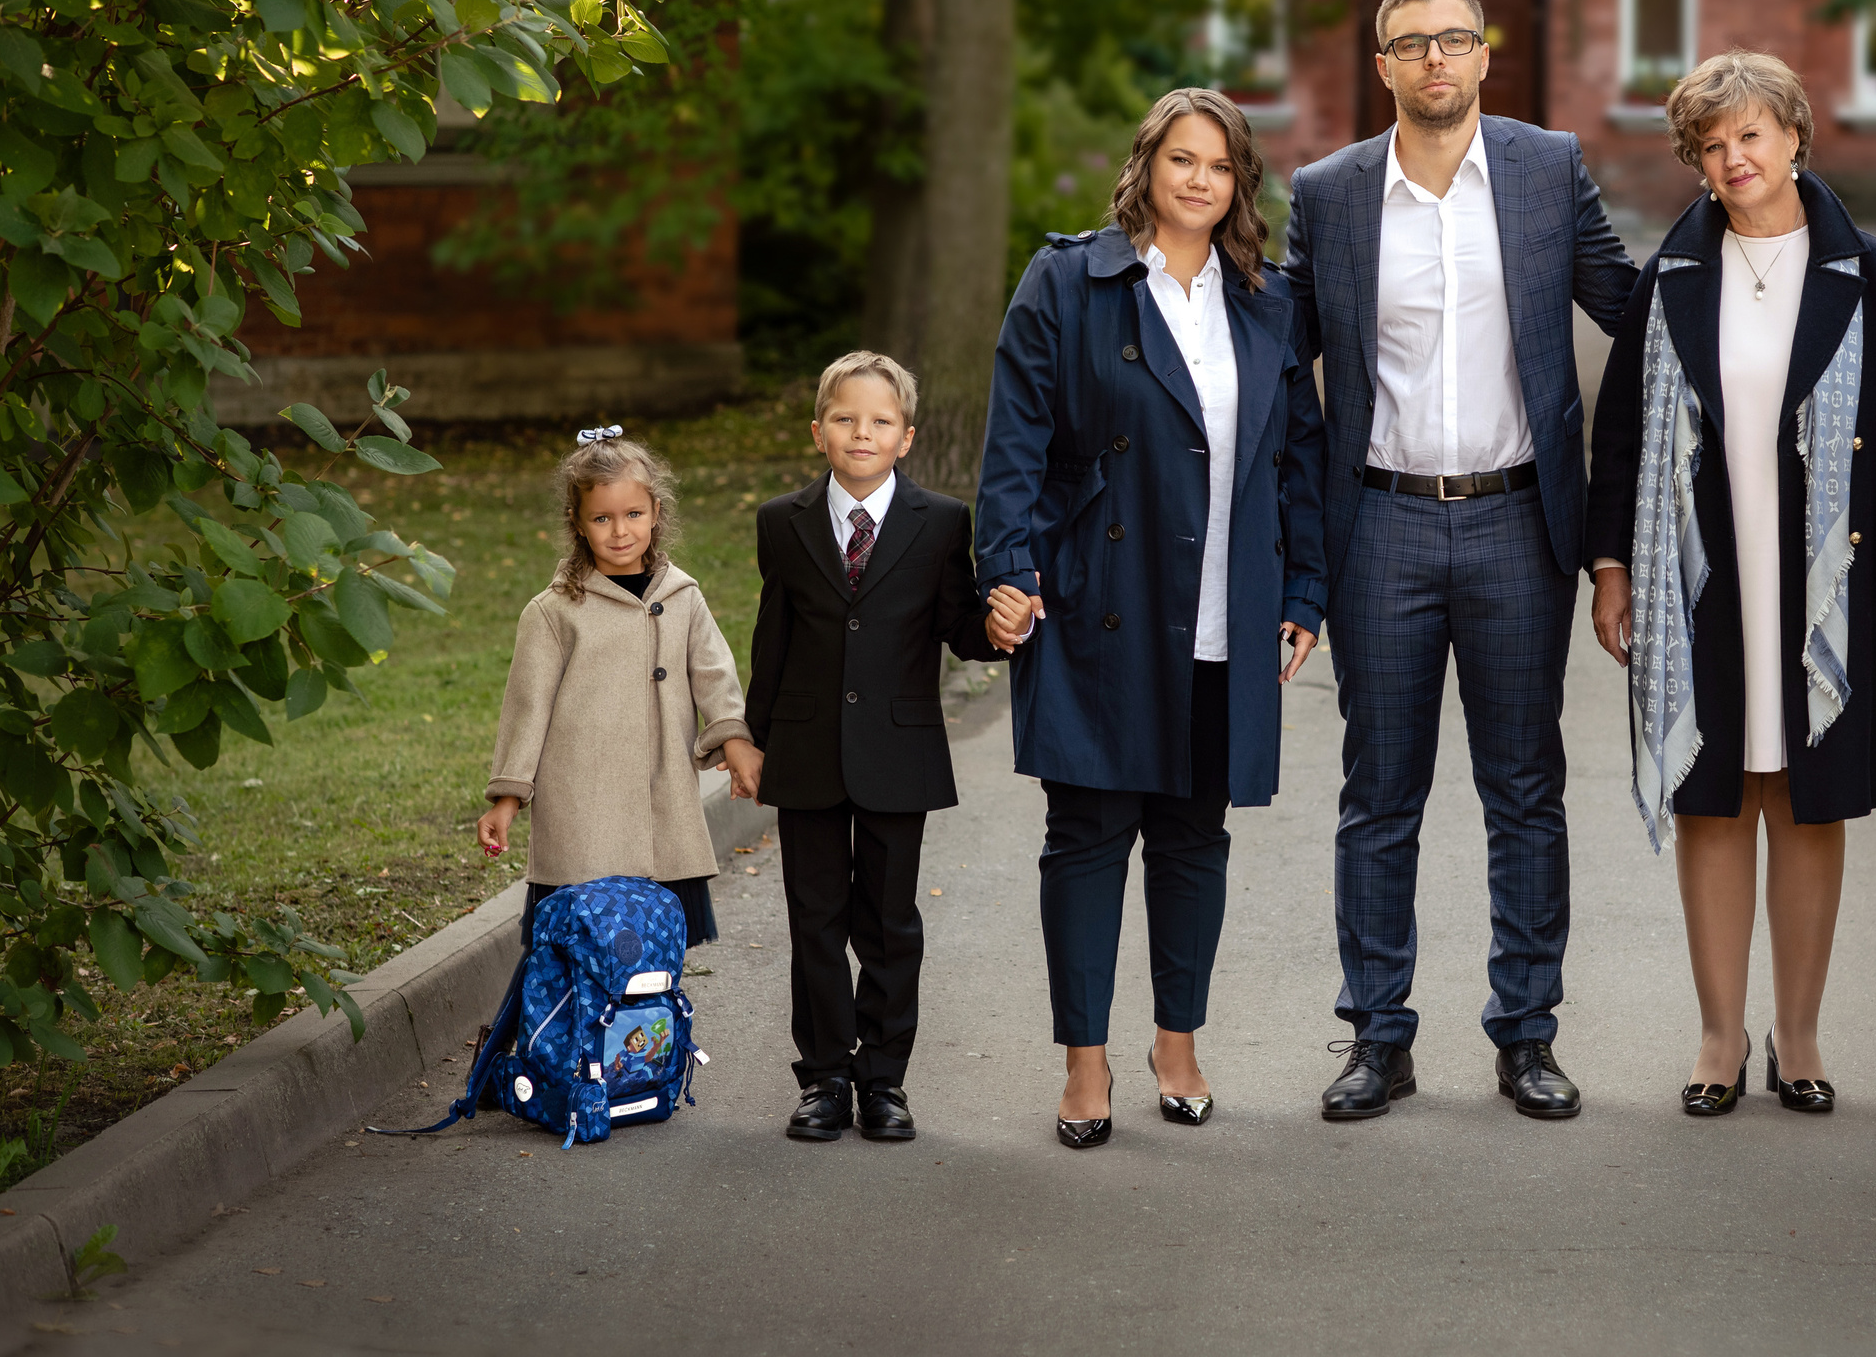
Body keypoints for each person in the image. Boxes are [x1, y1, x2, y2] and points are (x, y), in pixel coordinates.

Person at [1284, 0, 1637, 1123]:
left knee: (1524, 791)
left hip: (1516, 523)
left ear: (1484, 56)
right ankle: (1376, 1038)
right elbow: (1273, 353)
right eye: (1411, 44)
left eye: (1453, 39)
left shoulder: (1545, 169)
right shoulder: (1330, 193)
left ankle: (1526, 1036)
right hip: (1378, 525)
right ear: (1381, 66)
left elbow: (1636, 314)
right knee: (1378, 796)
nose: (1434, 59)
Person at [976, 87, 1329, 1149]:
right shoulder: (1068, 281)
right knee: (1086, 836)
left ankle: (1177, 1044)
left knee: (1191, 837)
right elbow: (1014, 446)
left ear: (1240, 185)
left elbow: (1298, 459)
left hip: (1227, 608)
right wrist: (1007, 574)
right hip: (1097, 599)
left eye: (1219, 166)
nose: (1199, 180)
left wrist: (1304, 592)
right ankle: (1084, 1061)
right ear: (1146, 165)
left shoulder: (1265, 300)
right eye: (1182, 158)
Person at [1584, 50, 1876, 1117]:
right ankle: (1719, 1036)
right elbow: (1620, 434)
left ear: (1793, 137)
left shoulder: (1872, 275)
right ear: (1694, 161)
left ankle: (1802, 1036)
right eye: (1711, 144)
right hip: (1701, 574)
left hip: (1834, 579)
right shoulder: (1671, 279)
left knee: (1808, 800)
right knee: (1716, 796)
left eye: (1750, 135)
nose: (1733, 158)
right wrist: (1611, 567)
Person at [746, 352, 1004, 1146]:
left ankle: (883, 1079)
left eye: (881, 421)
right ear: (818, 432)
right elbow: (773, 638)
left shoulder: (942, 522)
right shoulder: (781, 521)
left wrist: (1003, 629)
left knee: (890, 923)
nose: (863, 433)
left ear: (907, 437)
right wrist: (752, 739)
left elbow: (959, 625)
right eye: (846, 419)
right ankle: (825, 1077)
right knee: (815, 919)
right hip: (806, 749)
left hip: (899, 750)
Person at [479, 429, 760, 952]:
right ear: (577, 523)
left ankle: (654, 1012)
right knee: (582, 952)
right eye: (602, 518)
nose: (620, 531)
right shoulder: (554, 612)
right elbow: (527, 709)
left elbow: (715, 674)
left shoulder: (682, 596)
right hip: (584, 813)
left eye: (633, 514)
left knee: (657, 951)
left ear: (656, 512)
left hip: (663, 808)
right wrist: (507, 799)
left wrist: (735, 740)